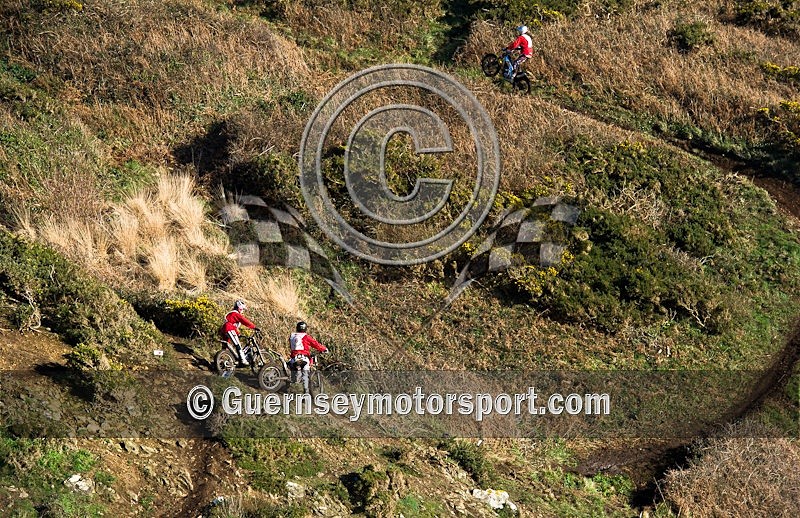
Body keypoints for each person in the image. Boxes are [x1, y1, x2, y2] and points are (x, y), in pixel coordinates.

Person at [289, 321, 327, 393]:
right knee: (305, 374)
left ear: (297, 328)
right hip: (303, 358)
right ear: (305, 328)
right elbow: (315, 344)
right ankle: (306, 392)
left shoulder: (292, 336)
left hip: (293, 358)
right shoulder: (306, 337)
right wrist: (324, 349)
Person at [220, 300, 258, 365]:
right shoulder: (235, 314)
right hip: (229, 329)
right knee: (238, 345)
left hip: (225, 329)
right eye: (242, 309)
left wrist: (238, 334)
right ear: (239, 308)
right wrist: (254, 327)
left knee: (226, 346)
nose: (243, 311)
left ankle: (221, 360)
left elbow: (234, 325)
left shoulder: (231, 314)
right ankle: (243, 360)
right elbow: (244, 321)